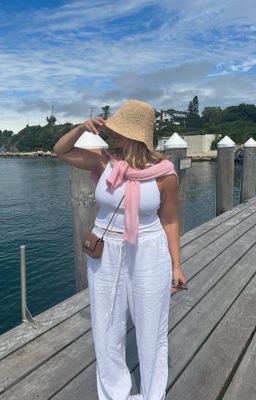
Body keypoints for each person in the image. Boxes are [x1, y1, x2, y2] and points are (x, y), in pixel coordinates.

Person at [53, 99, 187, 400]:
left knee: (151, 323)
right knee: (106, 323)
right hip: (106, 250)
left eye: (119, 130)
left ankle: (153, 394)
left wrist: (176, 266)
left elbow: (169, 220)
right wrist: (79, 128)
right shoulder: (104, 161)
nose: (113, 134)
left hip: (149, 250)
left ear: (135, 135)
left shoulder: (164, 173)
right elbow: (60, 150)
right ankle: (115, 393)